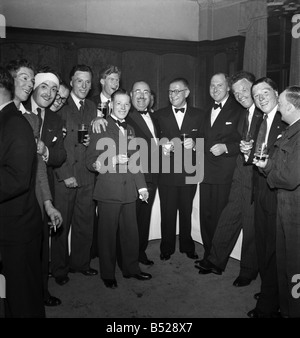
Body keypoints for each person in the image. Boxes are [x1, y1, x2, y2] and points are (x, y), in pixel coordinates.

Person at [195, 71, 260, 287]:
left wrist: (228, 148)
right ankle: (215, 260)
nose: (241, 94)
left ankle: (248, 271)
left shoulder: (262, 113)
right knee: (227, 219)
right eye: (237, 91)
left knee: (250, 225)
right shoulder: (245, 112)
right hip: (238, 173)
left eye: (244, 90)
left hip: (254, 176)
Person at [6, 59, 63, 306]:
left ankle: (39, 293)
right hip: (11, 205)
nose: (29, 85)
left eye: (32, 79)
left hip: (34, 200)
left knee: (34, 256)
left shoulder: (36, 120)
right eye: (25, 79)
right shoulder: (15, 114)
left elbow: (42, 165)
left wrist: (48, 204)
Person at [86, 89, 152, 288]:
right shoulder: (101, 126)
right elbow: (90, 162)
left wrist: (141, 187)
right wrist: (110, 160)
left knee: (131, 234)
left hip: (129, 191)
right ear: (111, 105)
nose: (122, 107)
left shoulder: (130, 129)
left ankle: (131, 269)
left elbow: (135, 162)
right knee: (107, 236)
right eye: (119, 103)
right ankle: (107, 273)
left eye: (126, 104)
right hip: (108, 191)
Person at [0, 66, 45, 317]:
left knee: (22, 297)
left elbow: (17, 179)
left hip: (16, 226)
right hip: (12, 223)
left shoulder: (15, 123)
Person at [254, 86, 300, 318]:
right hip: (284, 206)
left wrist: (268, 170)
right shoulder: (291, 131)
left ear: (291, 106)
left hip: (294, 212)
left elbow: (290, 178)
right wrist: (267, 165)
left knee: (294, 268)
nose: (279, 107)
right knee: (283, 264)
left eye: (281, 103)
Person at [52, 64, 98, 286]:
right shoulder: (58, 104)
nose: (84, 85)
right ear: (71, 81)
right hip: (65, 175)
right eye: (79, 81)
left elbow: (94, 140)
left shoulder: (92, 107)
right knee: (61, 226)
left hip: (87, 175)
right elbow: (52, 143)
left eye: (88, 82)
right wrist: (64, 173)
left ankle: (80, 263)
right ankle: (59, 268)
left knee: (85, 223)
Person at [246, 77, 287, 318]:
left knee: (273, 250)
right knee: (263, 247)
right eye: (256, 95)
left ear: (276, 92)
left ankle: (270, 304)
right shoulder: (260, 119)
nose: (260, 98)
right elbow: (259, 153)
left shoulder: (287, 122)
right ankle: (269, 290)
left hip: (277, 194)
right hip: (259, 189)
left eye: (265, 93)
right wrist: (247, 151)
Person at [153, 78, 203, 261]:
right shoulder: (158, 115)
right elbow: (150, 141)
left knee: (186, 210)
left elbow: (207, 139)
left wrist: (196, 143)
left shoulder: (200, 115)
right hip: (167, 172)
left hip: (190, 171)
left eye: (177, 91)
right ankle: (166, 247)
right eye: (170, 92)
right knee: (167, 212)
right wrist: (162, 146)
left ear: (187, 93)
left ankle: (187, 245)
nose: (173, 95)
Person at [197, 73, 242, 267]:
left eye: (220, 85)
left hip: (224, 172)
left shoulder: (238, 110)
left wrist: (227, 148)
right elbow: (202, 137)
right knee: (205, 216)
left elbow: (244, 140)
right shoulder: (207, 110)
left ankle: (217, 260)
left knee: (219, 218)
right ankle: (209, 254)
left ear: (228, 88)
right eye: (212, 85)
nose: (215, 89)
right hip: (205, 171)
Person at [126, 81, 159, 265]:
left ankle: (140, 252)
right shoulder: (125, 116)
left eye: (145, 92)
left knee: (143, 218)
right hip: (135, 178)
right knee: (131, 220)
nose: (141, 95)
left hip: (153, 177)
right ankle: (129, 256)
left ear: (150, 97)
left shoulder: (155, 117)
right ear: (131, 95)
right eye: (137, 91)